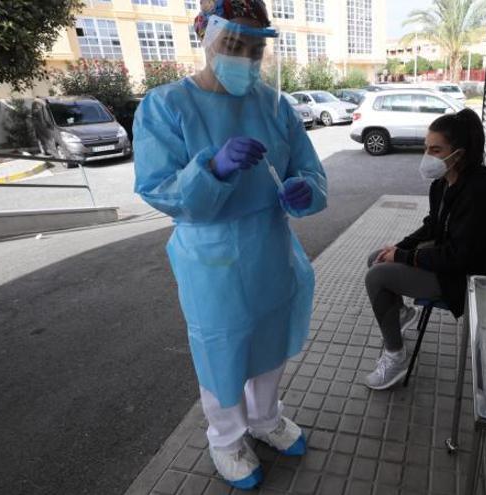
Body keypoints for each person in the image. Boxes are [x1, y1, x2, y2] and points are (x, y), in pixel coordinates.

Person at [132, 0, 327, 490]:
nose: (245, 58)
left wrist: (306, 189)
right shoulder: (166, 105)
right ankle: (226, 438)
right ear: (206, 38)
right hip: (211, 258)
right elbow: (159, 188)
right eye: (233, 45)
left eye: (255, 50)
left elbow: (308, 168)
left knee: (269, 345)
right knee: (222, 352)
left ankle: (265, 420)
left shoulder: (275, 104)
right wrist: (211, 169)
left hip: (270, 247)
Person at [363, 109, 486, 390]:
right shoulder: (444, 184)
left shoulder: (479, 193)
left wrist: (406, 257)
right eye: (426, 148)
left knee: (377, 276)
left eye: (435, 149)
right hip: (454, 262)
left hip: (468, 279)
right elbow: (433, 227)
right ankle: (402, 314)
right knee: (376, 258)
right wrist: (399, 247)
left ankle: (395, 358)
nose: (427, 156)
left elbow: (459, 258)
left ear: (459, 154)